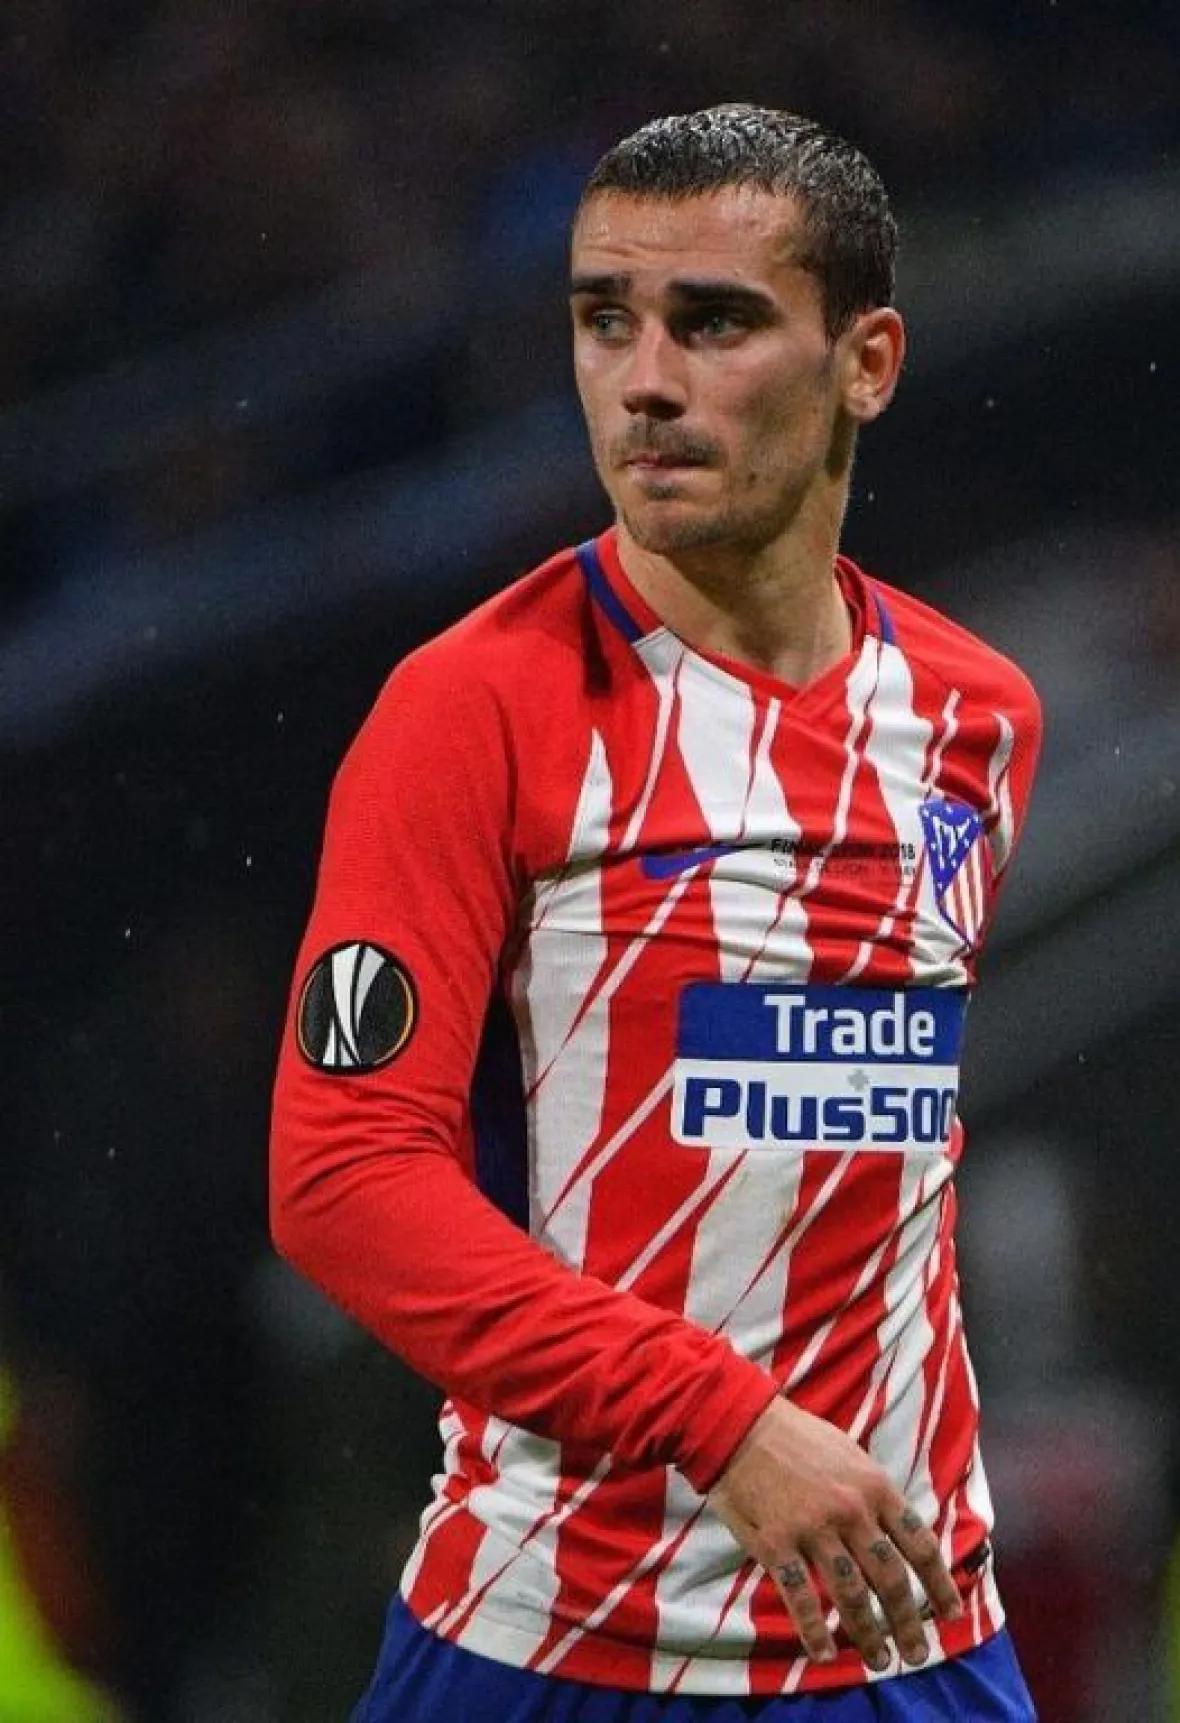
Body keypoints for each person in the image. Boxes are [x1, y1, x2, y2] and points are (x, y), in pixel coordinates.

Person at [269, 104, 1042, 1721]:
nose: (645, 380)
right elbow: (345, 1179)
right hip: (556, 1640)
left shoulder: (977, 719)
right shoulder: (471, 708)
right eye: (605, 319)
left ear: (868, 362)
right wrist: (721, 1417)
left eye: (715, 322)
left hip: (908, 1629)